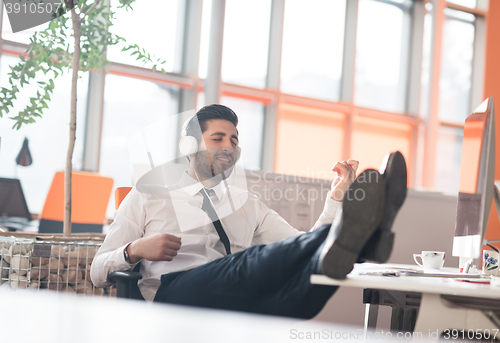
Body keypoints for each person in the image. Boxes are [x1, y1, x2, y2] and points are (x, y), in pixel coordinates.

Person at [91, 104, 407, 319]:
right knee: (244, 262)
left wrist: (337, 198)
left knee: (304, 291)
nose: (229, 146)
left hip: (233, 297)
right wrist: (135, 250)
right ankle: (369, 237)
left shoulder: (245, 202)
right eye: (217, 138)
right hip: (174, 298)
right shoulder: (148, 194)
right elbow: (97, 272)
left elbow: (301, 243)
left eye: (234, 140)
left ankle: (362, 239)